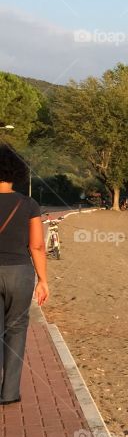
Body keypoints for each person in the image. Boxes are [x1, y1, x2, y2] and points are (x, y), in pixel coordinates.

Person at [0, 145, 49, 405]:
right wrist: (43, 280)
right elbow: (37, 246)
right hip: (19, 273)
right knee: (16, 329)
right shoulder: (28, 203)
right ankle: (9, 393)